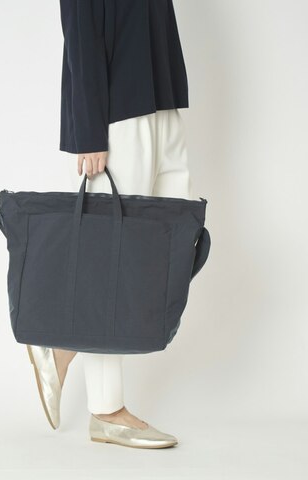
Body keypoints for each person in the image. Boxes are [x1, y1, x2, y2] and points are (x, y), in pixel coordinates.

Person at [27, 0, 194, 449]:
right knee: (110, 262)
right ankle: (106, 410)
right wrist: (88, 130)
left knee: (164, 249)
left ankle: (62, 345)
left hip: (163, 103)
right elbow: (80, 32)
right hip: (116, 118)